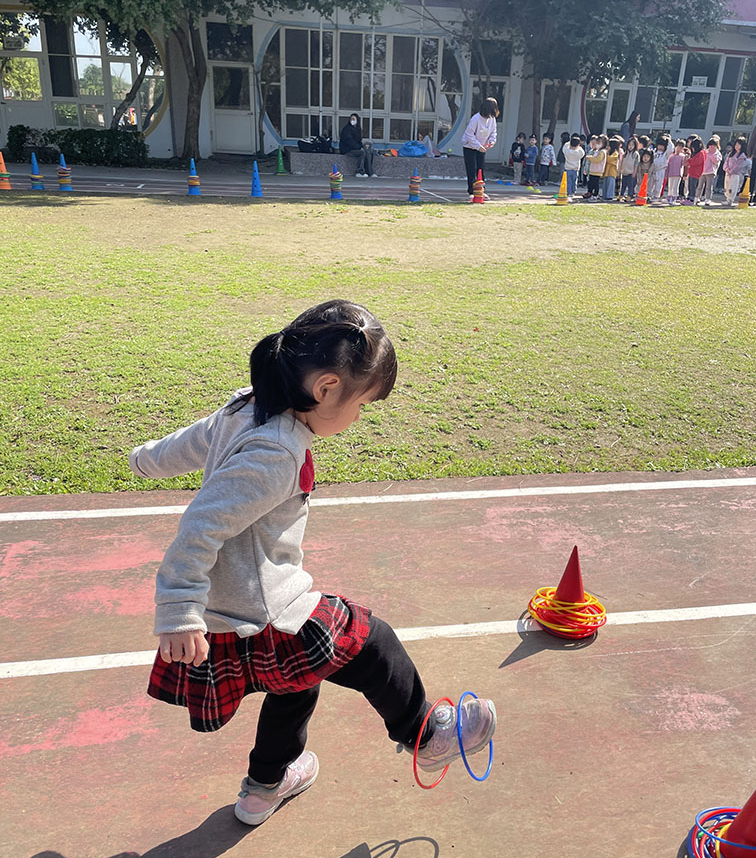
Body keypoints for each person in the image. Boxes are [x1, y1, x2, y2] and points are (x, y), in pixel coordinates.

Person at [131, 300, 497, 826]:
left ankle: (263, 789)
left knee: (297, 682)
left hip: (238, 604)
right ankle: (426, 734)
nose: (358, 417)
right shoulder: (276, 453)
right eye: (361, 404)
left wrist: (144, 459)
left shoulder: (247, 405)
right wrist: (177, 610)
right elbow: (201, 525)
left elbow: (193, 442)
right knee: (372, 643)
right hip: (264, 608)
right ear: (326, 388)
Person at [461, 97, 498, 201]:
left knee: (480, 169)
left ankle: (481, 190)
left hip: (482, 148)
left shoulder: (492, 119)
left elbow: (493, 132)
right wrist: (478, 146)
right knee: (471, 169)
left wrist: (491, 141)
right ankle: (471, 192)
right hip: (470, 147)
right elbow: (469, 134)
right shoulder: (475, 119)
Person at [339, 113, 375, 177]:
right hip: (347, 149)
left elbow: (358, 141)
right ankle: (360, 171)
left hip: (355, 148)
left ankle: (369, 172)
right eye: (351, 119)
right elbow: (350, 141)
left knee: (369, 153)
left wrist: (362, 146)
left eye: (354, 119)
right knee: (362, 153)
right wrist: (359, 147)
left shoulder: (358, 129)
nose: (352, 121)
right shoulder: (347, 129)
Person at [695, 137, 722, 206]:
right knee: (700, 186)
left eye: (713, 145)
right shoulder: (705, 152)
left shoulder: (717, 153)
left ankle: (707, 199)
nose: (711, 147)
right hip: (702, 171)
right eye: (710, 145)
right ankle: (697, 198)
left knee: (709, 187)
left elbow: (716, 162)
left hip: (711, 172)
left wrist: (712, 155)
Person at [723, 137, 749, 206]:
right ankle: (727, 199)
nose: (737, 146)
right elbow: (726, 161)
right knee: (727, 186)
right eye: (736, 144)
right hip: (728, 173)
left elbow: (738, 166)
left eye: (739, 145)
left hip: (735, 174)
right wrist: (726, 169)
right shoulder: (731, 153)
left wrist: (731, 171)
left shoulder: (742, 156)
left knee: (733, 187)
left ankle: (730, 200)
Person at [649, 135, 672, 201]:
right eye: (659, 145)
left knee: (658, 184)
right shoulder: (654, 152)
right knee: (650, 183)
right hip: (653, 170)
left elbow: (670, 149)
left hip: (660, 170)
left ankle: (656, 196)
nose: (660, 147)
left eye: (662, 146)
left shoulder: (665, 154)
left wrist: (669, 140)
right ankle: (648, 194)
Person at [584, 134, 606, 200]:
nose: (597, 144)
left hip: (598, 171)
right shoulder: (596, 151)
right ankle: (589, 193)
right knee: (590, 183)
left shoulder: (602, 152)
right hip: (592, 170)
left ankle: (595, 194)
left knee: (595, 184)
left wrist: (590, 158)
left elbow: (598, 159)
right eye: (597, 143)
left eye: (599, 143)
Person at [562, 134, 584, 199]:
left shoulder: (567, 151)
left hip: (568, 168)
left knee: (568, 181)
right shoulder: (579, 152)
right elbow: (582, 152)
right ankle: (573, 191)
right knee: (574, 181)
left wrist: (569, 142)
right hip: (576, 169)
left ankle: (569, 192)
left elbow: (564, 146)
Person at [684, 137, 705, 205]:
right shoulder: (699, 153)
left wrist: (689, 160)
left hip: (696, 173)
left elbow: (696, 162)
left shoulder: (701, 153)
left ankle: (692, 199)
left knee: (693, 187)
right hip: (692, 172)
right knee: (690, 186)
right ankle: (689, 198)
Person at [665, 140, 686, 204]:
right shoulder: (671, 156)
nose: (678, 149)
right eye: (677, 147)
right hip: (671, 174)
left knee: (675, 187)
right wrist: (666, 174)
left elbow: (684, 164)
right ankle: (669, 198)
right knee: (670, 186)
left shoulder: (682, 156)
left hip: (678, 174)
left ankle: (673, 198)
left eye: (680, 147)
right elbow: (668, 165)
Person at [619, 136, 639, 201]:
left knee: (630, 185)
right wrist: (620, 170)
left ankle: (629, 196)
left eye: (632, 145)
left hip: (631, 172)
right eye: (629, 145)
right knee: (623, 185)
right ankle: (621, 195)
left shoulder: (635, 154)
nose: (630, 146)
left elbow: (636, 164)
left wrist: (634, 172)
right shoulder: (625, 153)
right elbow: (622, 162)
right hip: (624, 172)